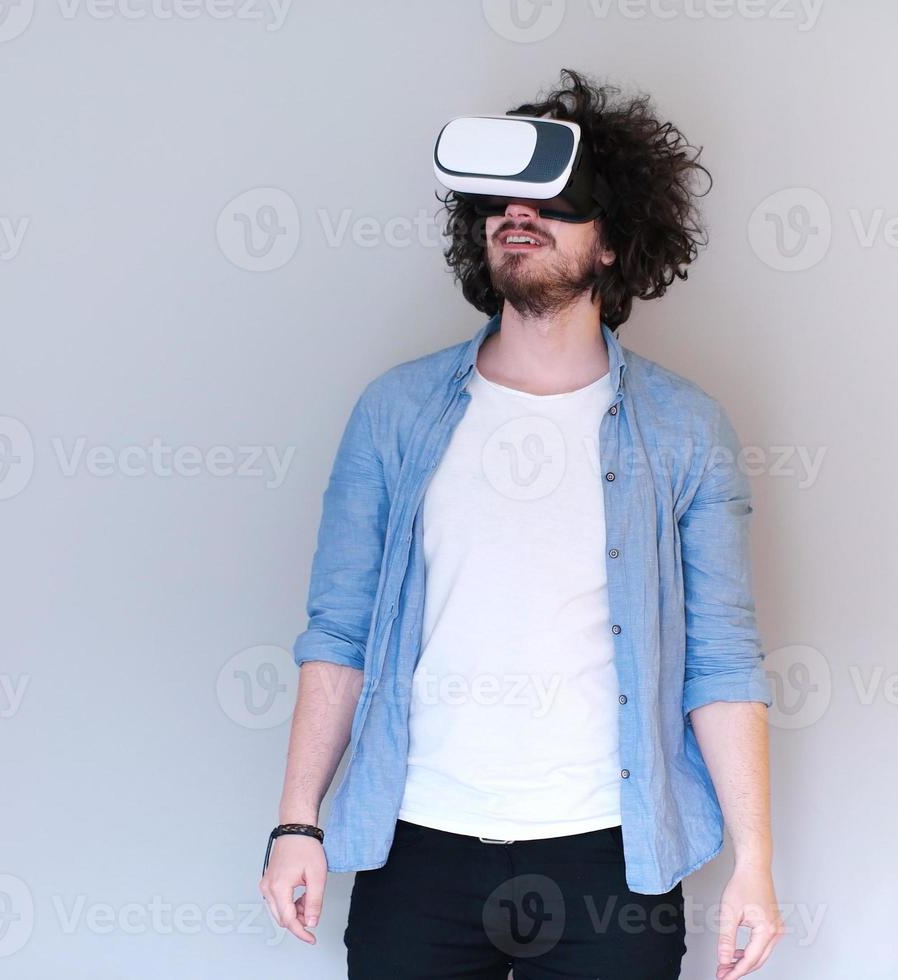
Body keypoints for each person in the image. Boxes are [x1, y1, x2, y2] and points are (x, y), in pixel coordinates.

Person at [260, 68, 783, 979]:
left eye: (555, 199)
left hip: (607, 856)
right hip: (418, 844)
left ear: (615, 240)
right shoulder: (395, 413)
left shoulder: (683, 430)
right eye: (500, 200)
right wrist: (297, 821)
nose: (518, 214)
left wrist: (755, 863)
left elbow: (722, 658)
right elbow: (338, 631)